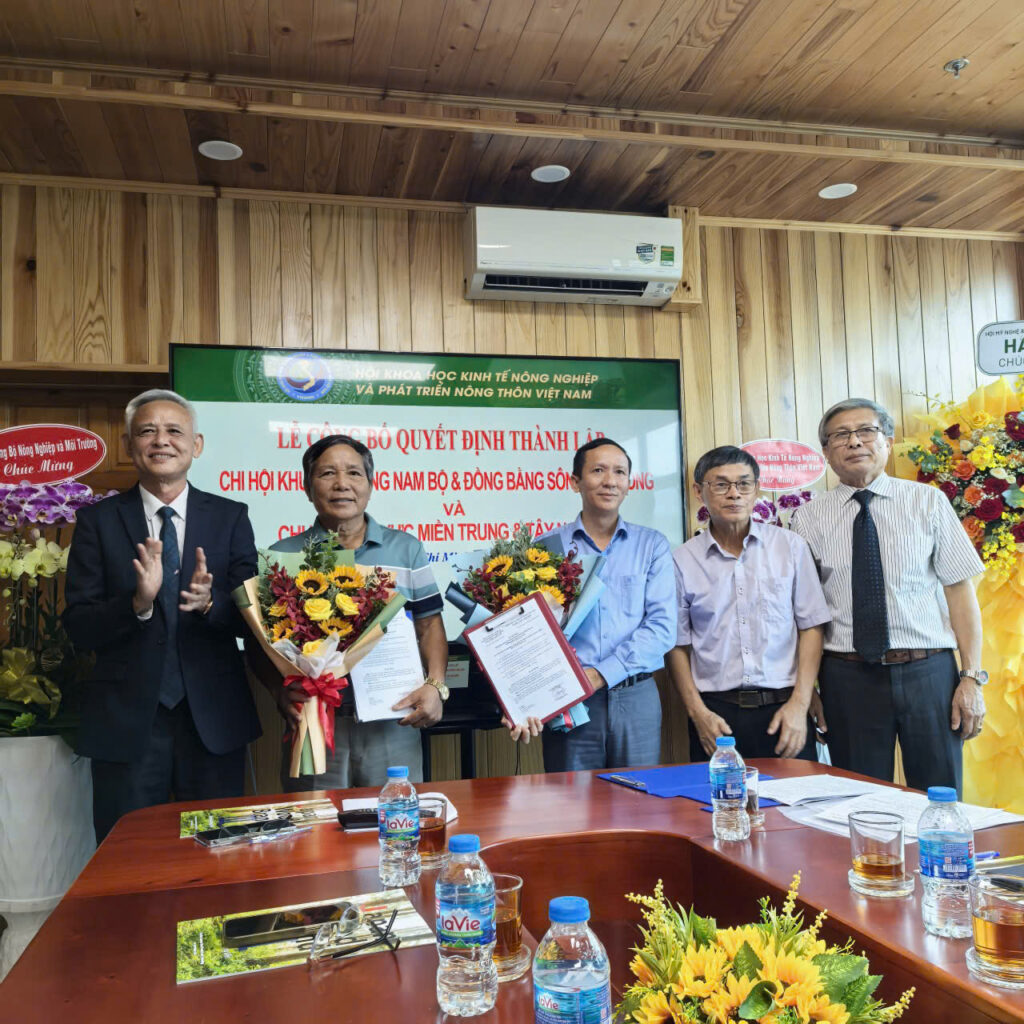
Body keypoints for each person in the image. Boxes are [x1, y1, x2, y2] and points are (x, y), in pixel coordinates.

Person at [65, 389, 260, 842]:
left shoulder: (231, 517)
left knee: (218, 852)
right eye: (147, 432)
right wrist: (137, 604)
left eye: (174, 431)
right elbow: (79, 626)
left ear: (197, 445)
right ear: (130, 446)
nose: (161, 441)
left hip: (213, 719)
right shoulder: (97, 521)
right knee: (128, 855)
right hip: (126, 722)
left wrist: (211, 604)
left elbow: (255, 622)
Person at [790, 398, 986, 794]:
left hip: (929, 673)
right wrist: (807, 691)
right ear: (826, 452)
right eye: (840, 436)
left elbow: (959, 591)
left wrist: (971, 678)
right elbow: (804, 613)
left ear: (888, 441)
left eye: (866, 431)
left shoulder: (928, 502)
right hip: (847, 677)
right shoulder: (808, 517)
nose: (854, 442)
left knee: (940, 796)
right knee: (859, 800)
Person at [254, 434, 448, 791]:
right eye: (327, 473)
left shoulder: (405, 549)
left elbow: (429, 625)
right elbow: (260, 644)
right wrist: (278, 694)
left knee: (395, 817)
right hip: (316, 721)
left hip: (393, 720)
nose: (342, 484)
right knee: (315, 823)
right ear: (307, 487)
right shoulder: (282, 557)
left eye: (354, 473)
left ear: (370, 485)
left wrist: (435, 685)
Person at [508, 438, 675, 772]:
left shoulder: (652, 545)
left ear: (629, 483)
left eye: (619, 472)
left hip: (635, 695)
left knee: (637, 796)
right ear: (575, 482)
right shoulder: (546, 548)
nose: (610, 481)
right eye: (598, 470)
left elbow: (662, 628)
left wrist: (600, 674)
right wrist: (519, 696)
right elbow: (527, 632)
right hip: (568, 699)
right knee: (572, 798)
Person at [667, 446, 831, 763]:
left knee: (795, 795)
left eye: (743, 484)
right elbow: (677, 644)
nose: (734, 494)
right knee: (715, 796)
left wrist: (800, 703)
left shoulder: (790, 547)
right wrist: (697, 713)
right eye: (721, 484)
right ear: (699, 492)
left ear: (756, 489)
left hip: (785, 709)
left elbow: (811, 626)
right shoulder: (682, 560)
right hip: (716, 715)